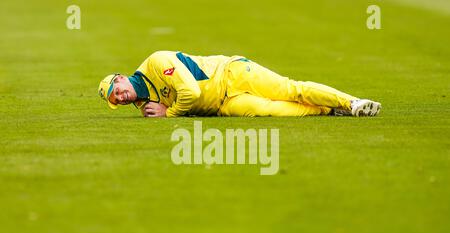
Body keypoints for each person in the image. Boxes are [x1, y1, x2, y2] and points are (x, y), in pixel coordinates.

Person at [98, 51, 381, 118]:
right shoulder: (143, 103)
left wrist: (169, 114)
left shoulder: (157, 62)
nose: (120, 97)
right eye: (115, 99)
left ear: (121, 77)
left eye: (116, 89)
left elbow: (191, 92)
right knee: (271, 111)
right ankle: (331, 111)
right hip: (222, 105)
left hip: (232, 73)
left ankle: (351, 102)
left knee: (289, 88)